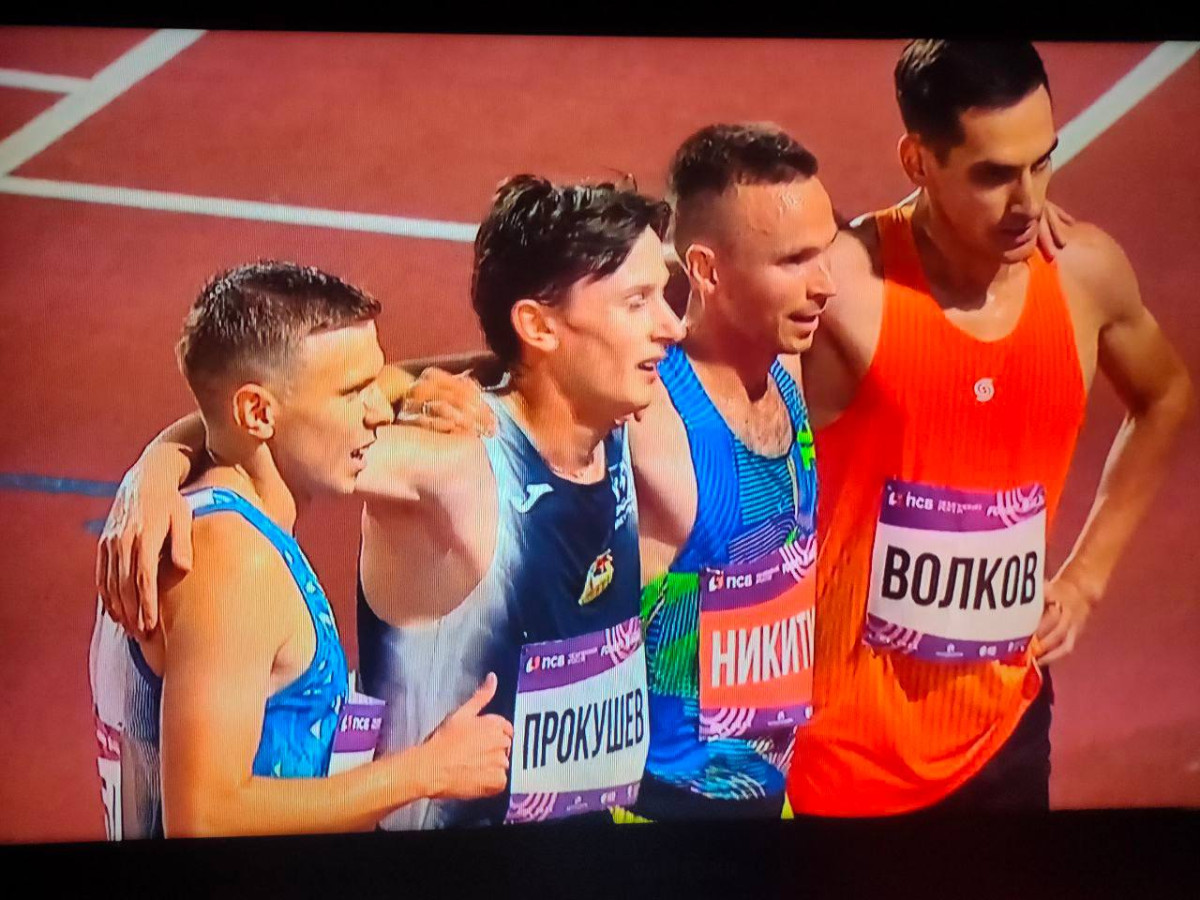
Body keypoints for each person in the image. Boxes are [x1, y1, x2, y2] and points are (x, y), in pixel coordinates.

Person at [786, 40, 1194, 815]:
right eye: (995, 175)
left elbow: (1166, 395)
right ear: (917, 161)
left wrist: (1086, 578)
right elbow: (696, 299)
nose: (1029, 202)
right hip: (842, 757)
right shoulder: (842, 287)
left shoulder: (1082, 274)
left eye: (1042, 163)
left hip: (1005, 728)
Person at [88, 261, 512, 839]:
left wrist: (430, 383)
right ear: (258, 413)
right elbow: (205, 818)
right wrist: (427, 771)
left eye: (376, 384)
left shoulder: (214, 515)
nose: (380, 411)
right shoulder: (230, 560)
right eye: (353, 392)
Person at [613, 124, 835, 821]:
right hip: (663, 811)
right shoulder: (647, 410)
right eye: (793, 260)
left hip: (770, 791)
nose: (824, 285)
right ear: (706, 271)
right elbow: (534, 379)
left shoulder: (785, 359)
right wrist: (426, 386)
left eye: (822, 252)